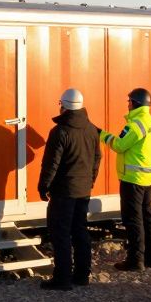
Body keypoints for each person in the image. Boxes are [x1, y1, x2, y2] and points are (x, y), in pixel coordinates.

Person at [37, 88, 102, 290]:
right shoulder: (92, 129)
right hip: (83, 190)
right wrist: (90, 180)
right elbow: (97, 158)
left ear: (63, 105)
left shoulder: (60, 132)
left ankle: (62, 278)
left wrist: (43, 186)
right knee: (80, 231)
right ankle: (82, 275)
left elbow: (51, 164)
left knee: (61, 233)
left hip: (64, 191)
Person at [100, 87, 151, 271]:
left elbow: (119, 145)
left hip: (132, 179)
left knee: (133, 220)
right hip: (147, 178)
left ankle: (136, 261)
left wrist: (101, 134)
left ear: (135, 103)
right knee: (148, 218)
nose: (127, 104)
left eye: (129, 101)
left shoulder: (135, 124)